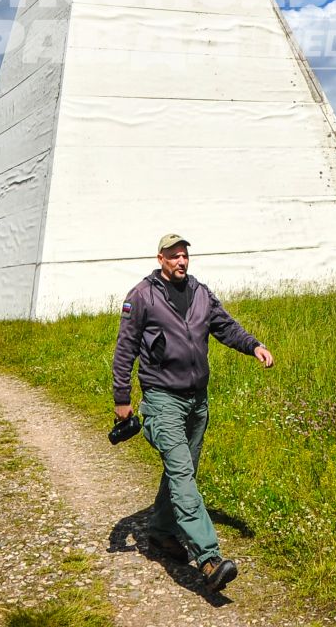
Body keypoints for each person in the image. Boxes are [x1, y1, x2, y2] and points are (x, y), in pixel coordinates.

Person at [112, 233, 275, 593]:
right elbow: (125, 348)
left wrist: (254, 346)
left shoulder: (200, 293)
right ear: (160, 259)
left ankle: (159, 531)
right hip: (162, 399)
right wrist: (122, 397)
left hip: (197, 401)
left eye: (185, 256)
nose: (181, 262)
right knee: (184, 475)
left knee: (181, 471)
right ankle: (209, 558)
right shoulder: (142, 296)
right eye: (173, 257)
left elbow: (225, 327)